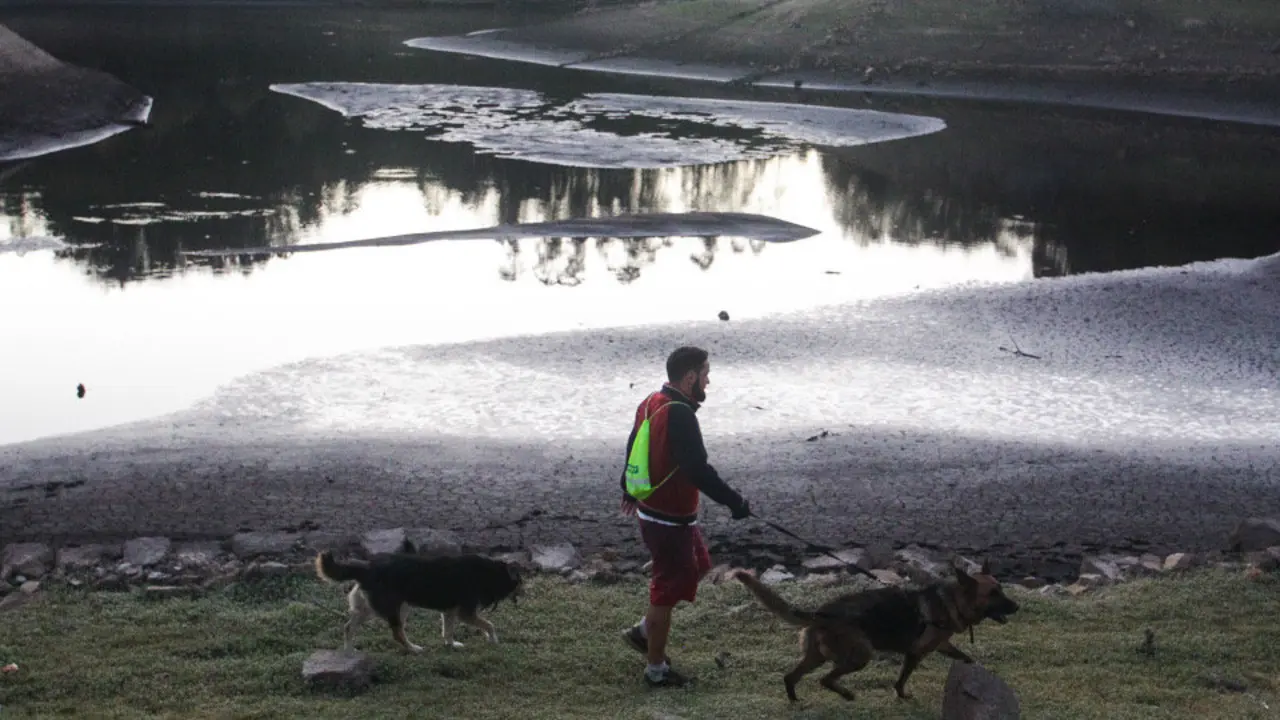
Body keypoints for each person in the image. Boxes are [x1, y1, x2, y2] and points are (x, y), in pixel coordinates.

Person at [618, 345, 751, 688]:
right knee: (665, 589)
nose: (709, 380)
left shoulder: (651, 400)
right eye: (706, 374)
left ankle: (644, 631)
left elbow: (635, 443)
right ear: (690, 376)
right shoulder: (680, 413)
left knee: (699, 565)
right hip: (667, 519)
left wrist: (628, 487)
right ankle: (656, 669)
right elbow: (697, 470)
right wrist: (735, 502)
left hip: (666, 515)